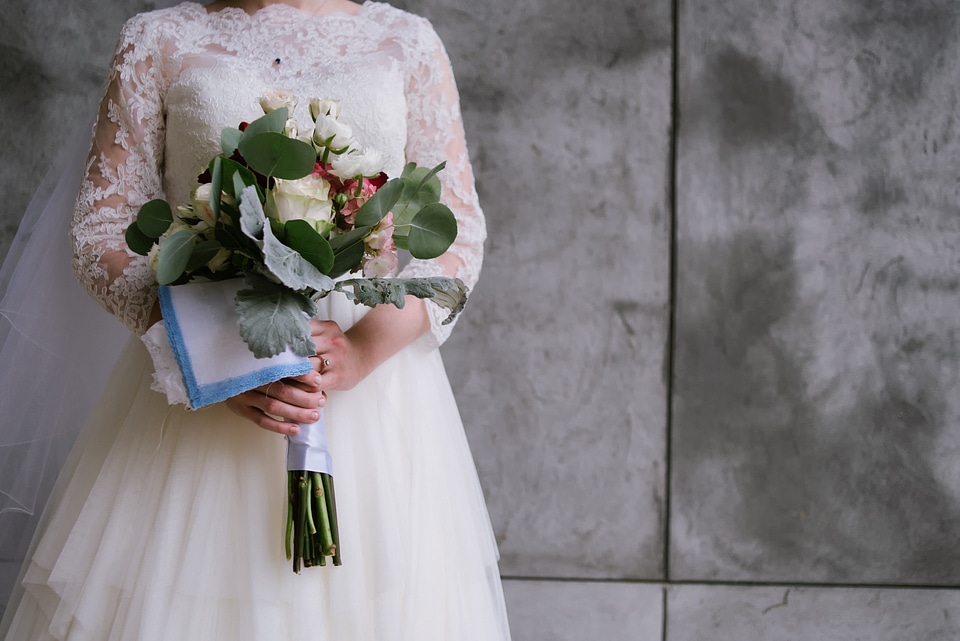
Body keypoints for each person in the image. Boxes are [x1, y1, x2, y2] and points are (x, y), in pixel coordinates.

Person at [0, 1, 511, 639]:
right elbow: (99, 231)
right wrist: (216, 356)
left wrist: (361, 351)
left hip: (370, 394)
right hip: (203, 377)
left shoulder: (406, 41)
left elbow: (457, 234)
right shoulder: (158, 39)